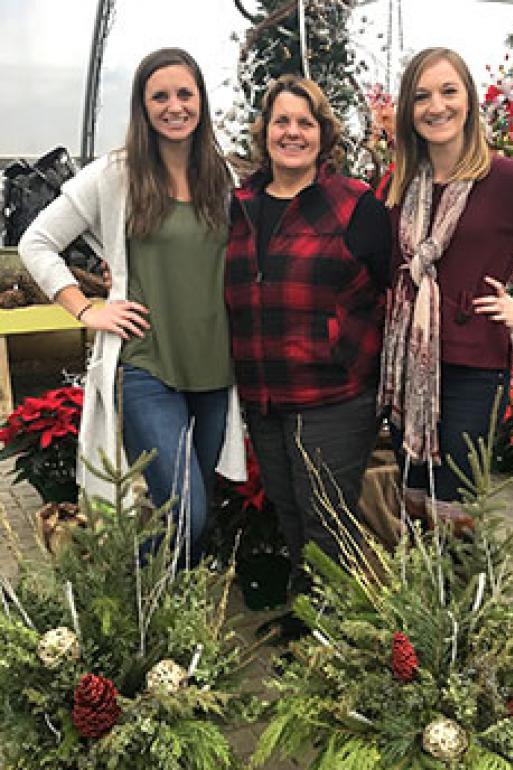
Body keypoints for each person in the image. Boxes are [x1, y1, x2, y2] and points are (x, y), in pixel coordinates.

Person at [18, 47, 245, 567]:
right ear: (142, 107)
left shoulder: (222, 177)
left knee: (190, 513)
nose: (174, 106)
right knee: (186, 512)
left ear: (201, 101)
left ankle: (149, 614)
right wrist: (85, 309)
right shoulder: (115, 175)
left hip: (213, 372)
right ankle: (121, 585)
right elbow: (37, 242)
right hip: (147, 366)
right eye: (159, 96)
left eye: (184, 93)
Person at [379, 46, 513, 511]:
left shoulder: (508, 179)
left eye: (448, 91)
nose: (436, 106)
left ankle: (460, 585)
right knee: (413, 500)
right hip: (406, 368)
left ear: (470, 99)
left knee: (455, 506)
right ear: (408, 110)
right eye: (421, 96)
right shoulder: (400, 185)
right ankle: (416, 585)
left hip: (471, 372)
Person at [225, 74, 391, 596]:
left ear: (323, 134)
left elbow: (390, 290)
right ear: (265, 131)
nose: (292, 133)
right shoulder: (239, 205)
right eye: (282, 122)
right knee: (291, 514)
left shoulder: (354, 204)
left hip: (332, 397)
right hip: (265, 398)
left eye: (305, 122)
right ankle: (311, 626)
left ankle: (335, 638)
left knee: (327, 524)